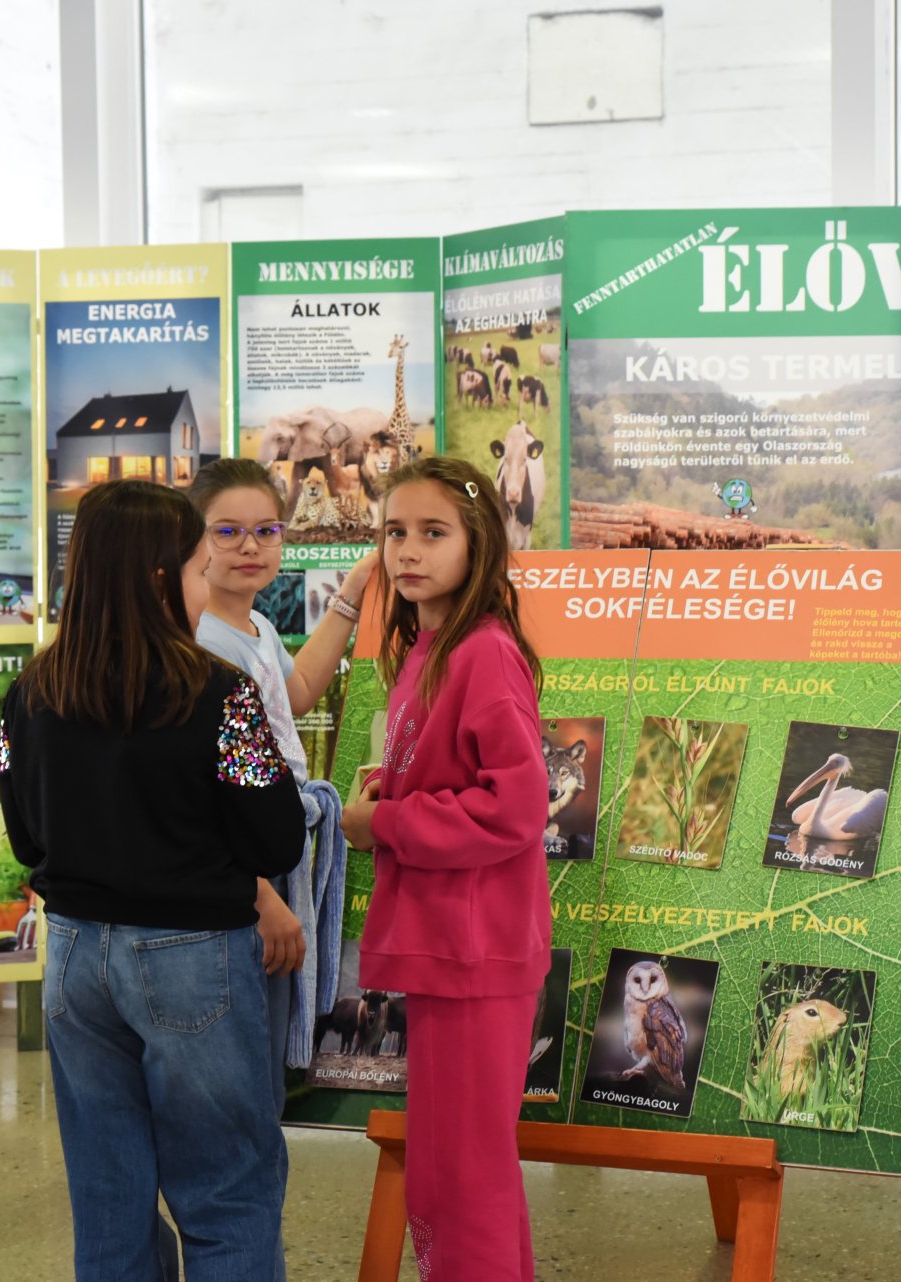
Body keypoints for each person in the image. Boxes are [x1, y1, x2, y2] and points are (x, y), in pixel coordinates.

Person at [0, 479, 303, 1282]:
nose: (210, 585)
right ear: (164, 577)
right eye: (202, 567)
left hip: (70, 961)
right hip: (194, 959)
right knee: (227, 1188)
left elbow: (24, 834)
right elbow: (276, 837)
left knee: (108, 1190)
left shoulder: (29, 695)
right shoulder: (223, 697)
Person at [340, 456, 549, 1282]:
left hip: (475, 947)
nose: (408, 552)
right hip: (450, 943)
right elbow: (461, 777)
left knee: (461, 1175)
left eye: (434, 533)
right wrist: (398, 789)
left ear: (479, 544)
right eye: (395, 532)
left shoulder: (484, 655)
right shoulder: (432, 647)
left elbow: (514, 808)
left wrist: (384, 821)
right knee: (453, 1169)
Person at [186, 458, 369, 1244]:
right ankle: (240, 1236)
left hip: (279, 849)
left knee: (264, 1074)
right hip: (249, 881)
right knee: (247, 1080)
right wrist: (264, 896)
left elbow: (292, 696)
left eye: (266, 530)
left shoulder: (253, 624)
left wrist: (353, 600)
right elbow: (203, 791)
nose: (249, 548)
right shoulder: (197, 639)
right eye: (227, 532)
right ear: (192, 540)